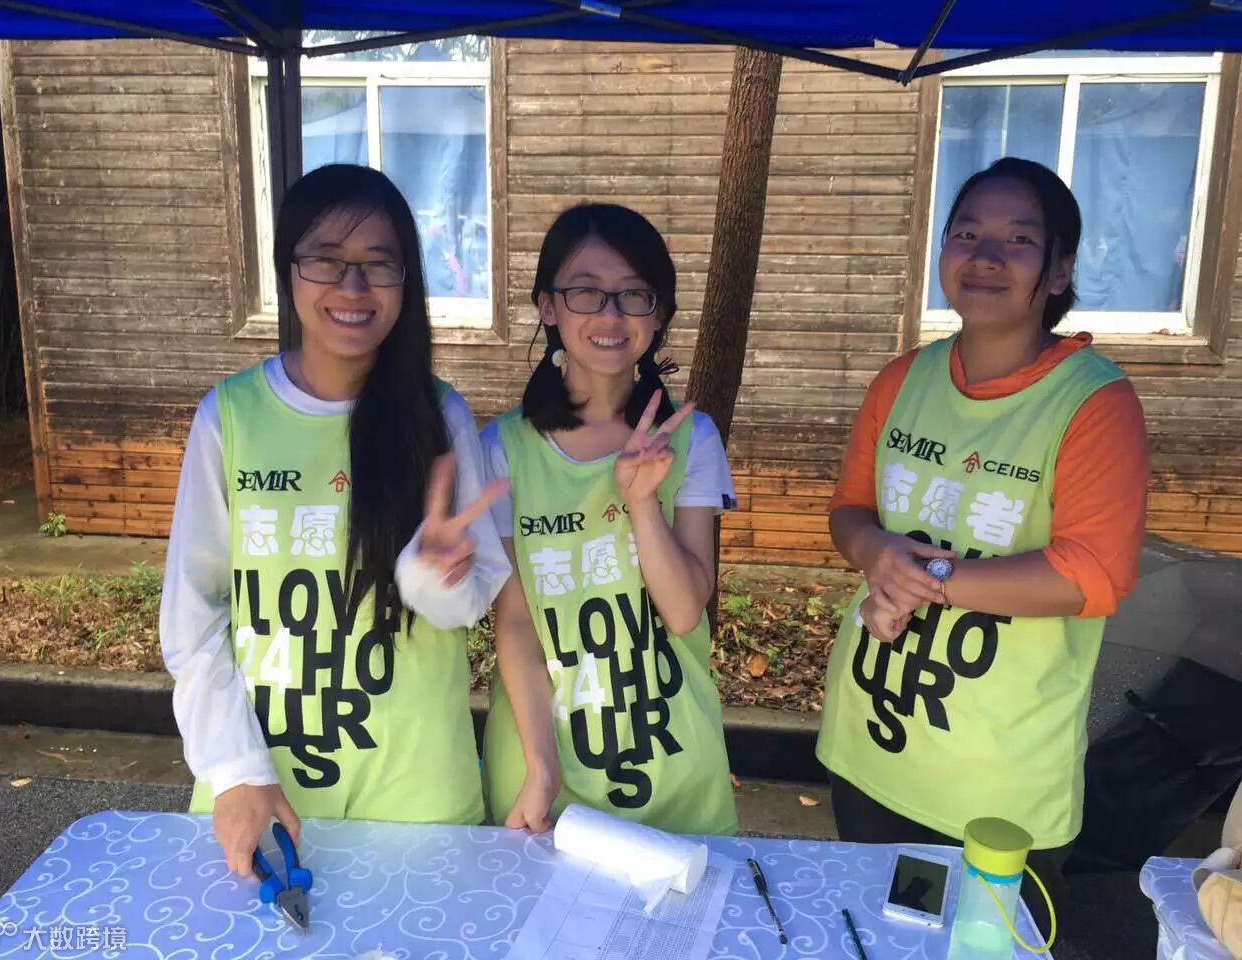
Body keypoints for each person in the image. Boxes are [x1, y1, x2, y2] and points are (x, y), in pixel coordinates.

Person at [817, 157, 1150, 932]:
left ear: (1060, 270)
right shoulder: (902, 380)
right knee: (877, 940)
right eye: (966, 234)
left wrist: (925, 575)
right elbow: (849, 512)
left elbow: (1092, 575)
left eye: (1019, 240)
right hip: (870, 744)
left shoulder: (1094, 402)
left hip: (997, 788)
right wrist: (874, 552)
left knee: (980, 947)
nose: (987, 256)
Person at [159, 164, 508, 878]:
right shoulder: (229, 416)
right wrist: (235, 768)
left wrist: (429, 573)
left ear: (406, 281)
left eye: (378, 264)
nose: (353, 287)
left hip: (418, 786)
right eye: (326, 259)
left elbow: (467, 605)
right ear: (289, 268)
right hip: (263, 783)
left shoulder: (438, 415)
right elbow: (193, 615)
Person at [480, 203, 739, 836]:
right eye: (586, 292)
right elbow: (517, 621)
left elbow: (684, 612)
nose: (610, 315)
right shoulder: (501, 449)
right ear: (548, 306)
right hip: (541, 765)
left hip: (673, 762)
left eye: (633, 295)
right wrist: (541, 767)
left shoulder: (692, 439)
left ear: (659, 314)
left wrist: (642, 502)